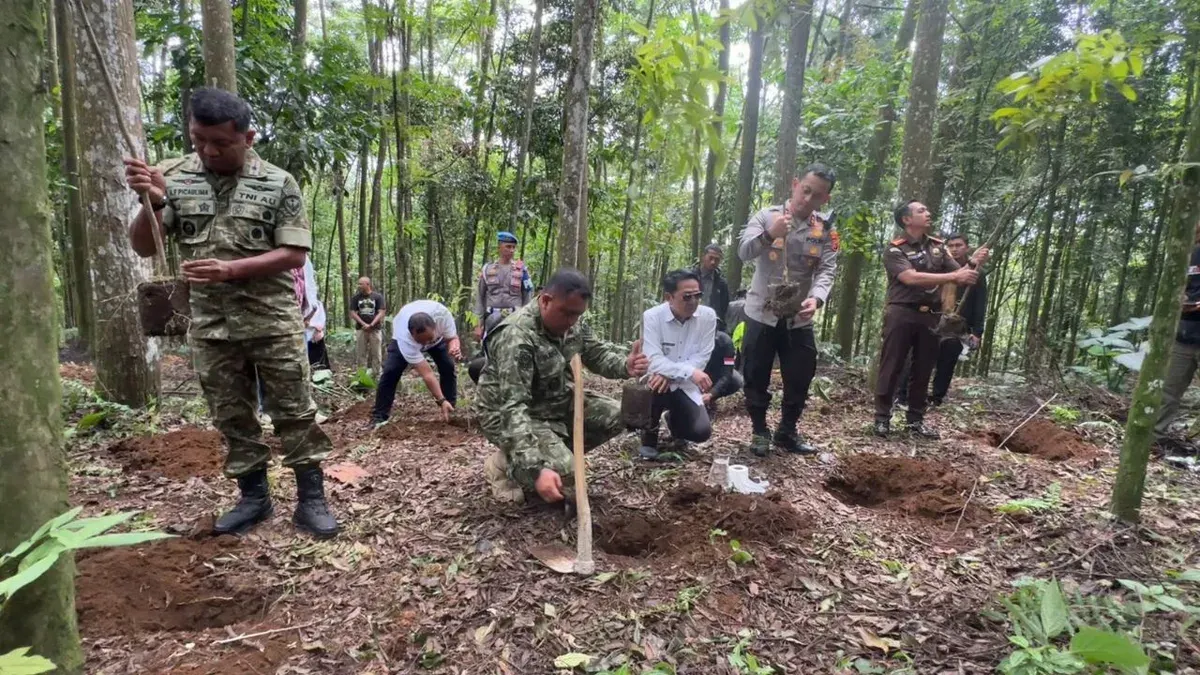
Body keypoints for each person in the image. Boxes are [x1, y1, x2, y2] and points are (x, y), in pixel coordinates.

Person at [124, 87, 338, 538]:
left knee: (294, 410)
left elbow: (295, 253)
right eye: (199, 139)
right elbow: (145, 246)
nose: (209, 151)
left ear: (248, 137)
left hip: (273, 320)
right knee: (231, 414)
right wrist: (154, 201)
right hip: (210, 325)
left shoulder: (278, 182)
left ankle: (311, 500)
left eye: (221, 142)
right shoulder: (171, 177)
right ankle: (254, 498)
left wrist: (230, 270)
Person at [476, 268, 649, 504]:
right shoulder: (517, 336)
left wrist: (625, 365)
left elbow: (596, 354)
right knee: (567, 476)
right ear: (546, 300)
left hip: (554, 402)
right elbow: (513, 407)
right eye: (567, 313)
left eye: (577, 314)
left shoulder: (572, 323)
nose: (571, 322)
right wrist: (537, 469)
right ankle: (505, 464)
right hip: (508, 414)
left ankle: (552, 454)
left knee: (619, 416)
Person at [736, 163, 840, 456]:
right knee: (756, 374)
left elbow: (827, 269)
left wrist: (816, 299)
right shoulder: (767, 216)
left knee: (800, 375)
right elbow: (743, 252)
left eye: (816, 195)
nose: (807, 199)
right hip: (761, 313)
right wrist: (769, 234)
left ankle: (787, 430)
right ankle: (759, 431)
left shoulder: (825, 230)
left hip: (798, 318)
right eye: (805, 190)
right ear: (795, 184)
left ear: (826, 199)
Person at [874, 201, 987, 438]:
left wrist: (974, 262)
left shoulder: (938, 247)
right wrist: (953, 276)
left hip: (931, 316)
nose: (928, 213)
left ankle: (915, 420)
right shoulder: (895, 249)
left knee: (924, 368)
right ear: (907, 219)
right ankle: (882, 418)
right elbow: (910, 278)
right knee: (892, 364)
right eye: (921, 211)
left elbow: (959, 272)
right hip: (901, 313)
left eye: (927, 210)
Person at [895, 232, 987, 406]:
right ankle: (902, 395)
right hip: (931, 318)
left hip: (956, 325)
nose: (955, 249)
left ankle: (936, 397)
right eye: (951, 246)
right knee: (914, 354)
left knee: (949, 354)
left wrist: (977, 332)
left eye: (959, 245)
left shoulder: (977, 273)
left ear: (967, 247)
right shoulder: (937, 266)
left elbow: (980, 302)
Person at [638, 270, 718, 460]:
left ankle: (674, 422)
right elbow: (653, 358)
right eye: (687, 296)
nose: (693, 301)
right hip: (657, 380)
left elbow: (703, 355)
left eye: (697, 295)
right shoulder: (652, 316)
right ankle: (649, 436)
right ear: (669, 297)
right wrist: (687, 371)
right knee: (656, 383)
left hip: (685, 385)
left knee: (701, 432)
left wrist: (671, 373)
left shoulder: (708, 317)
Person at [371, 299, 462, 425]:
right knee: (390, 372)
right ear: (412, 334)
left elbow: (452, 338)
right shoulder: (405, 338)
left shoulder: (443, 316)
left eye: (428, 339)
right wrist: (440, 399)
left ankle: (450, 408)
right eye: (420, 341)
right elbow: (427, 374)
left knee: (447, 366)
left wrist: (454, 347)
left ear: (435, 327)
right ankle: (379, 417)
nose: (425, 345)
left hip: (437, 340)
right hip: (403, 340)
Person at [1154, 222, 1200, 454]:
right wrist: (1179, 299)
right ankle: (1155, 439)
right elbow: (1174, 287)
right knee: (1168, 390)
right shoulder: (1188, 254)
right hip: (1184, 333)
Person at [474, 231, 534, 341]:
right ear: (499, 247)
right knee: (490, 347)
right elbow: (480, 297)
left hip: (514, 318)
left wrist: (527, 322)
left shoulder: (522, 270)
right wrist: (478, 324)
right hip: (491, 317)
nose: (512, 250)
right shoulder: (487, 269)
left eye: (513, 247)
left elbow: (528, 297)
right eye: (508, 246)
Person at [350, 277, 386, 376]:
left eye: (361, 284)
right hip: (361, 329)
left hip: (375, 329)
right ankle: (362, 375)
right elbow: (353, 313)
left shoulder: (378, 297)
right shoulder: (356, 298)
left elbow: (381, 312)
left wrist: (371, 324)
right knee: (361, 353)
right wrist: (363, 324)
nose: (359, 286)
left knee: (376, 353)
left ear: (368, 284)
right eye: (359, 284)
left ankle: (376, 374)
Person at [693, 244, 730, 330]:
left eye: (717, 260)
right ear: (703, 257)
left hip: (711, 324)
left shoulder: (721, 284)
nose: (713, 262)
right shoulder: (690, 278)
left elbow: (724, 308)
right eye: (710, 258)